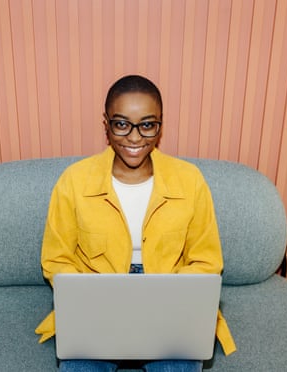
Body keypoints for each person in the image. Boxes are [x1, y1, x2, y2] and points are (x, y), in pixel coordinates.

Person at [35, 75, 236, 371]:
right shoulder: (74, 181)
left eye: (147, 124)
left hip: (170, 299)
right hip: (97, 300)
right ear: (106, 124)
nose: (134, 137)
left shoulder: (190, 180)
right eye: (121, 124)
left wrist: (169, 300)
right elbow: (56, 259)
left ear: (160, 125)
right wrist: (95, 298)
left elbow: (206, 259)